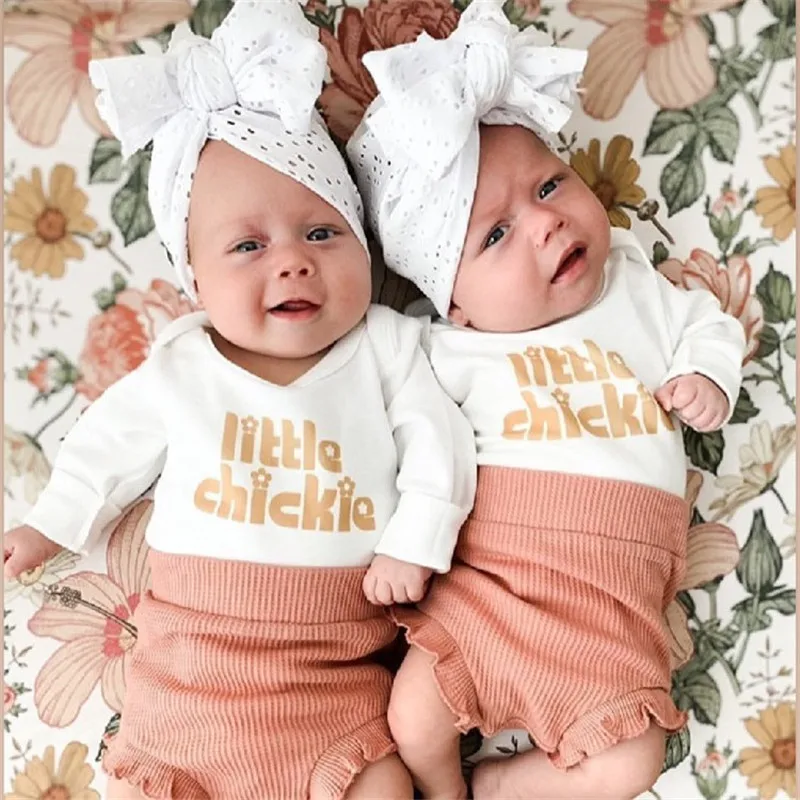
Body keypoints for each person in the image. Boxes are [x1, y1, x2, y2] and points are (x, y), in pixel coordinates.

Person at [3, 3, 476, 798]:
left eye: (322, 234)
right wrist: (52, 521)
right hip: (187, 687)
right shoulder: (183, 363)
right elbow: (106, 444)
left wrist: (416, 541)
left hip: (332, 684)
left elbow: (441, 446)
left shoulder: (388, 349)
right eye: (249, 246)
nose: (291, 263)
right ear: (196, 278)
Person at [347, 2, 746, 798]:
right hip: (494, 591)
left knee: (631, 760)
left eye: (550, 183)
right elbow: (389, 419)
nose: (544, 222)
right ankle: (444, 787)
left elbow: (710, 324)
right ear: (456, 305)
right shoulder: (442, 348)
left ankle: (498, 788)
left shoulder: (635, 285)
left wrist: (709, 376)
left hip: (613, 612)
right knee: (415, 714)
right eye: (494, 234)